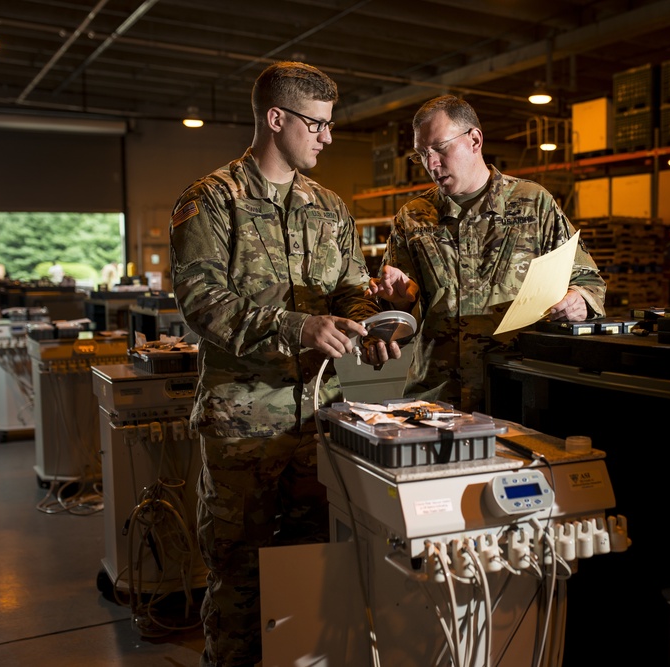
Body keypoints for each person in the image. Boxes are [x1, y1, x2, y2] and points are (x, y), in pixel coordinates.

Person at [169, 61, 396, 667]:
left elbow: (350, 288)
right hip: (244, 429)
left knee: (311, 573)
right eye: (317, 124)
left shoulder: (330, 208)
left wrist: (370, 325)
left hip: (317, 425)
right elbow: (202, 304)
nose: (327, 137)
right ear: (277, 119)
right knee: (239, 582)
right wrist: (301, 327)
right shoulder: (212, 201)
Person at [366, 94, 606, 413]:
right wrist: (397, 300)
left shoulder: (535, 204)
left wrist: (579, 299)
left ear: (474, 139)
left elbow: (589, 280)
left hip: (522, 389)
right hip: (437, 397)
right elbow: (394, 309)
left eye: (439, 148)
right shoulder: (413, 217)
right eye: (422, 154)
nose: (431, 164)